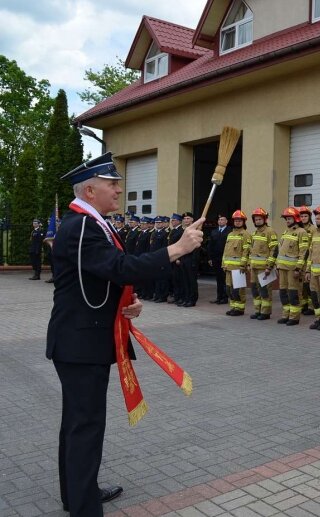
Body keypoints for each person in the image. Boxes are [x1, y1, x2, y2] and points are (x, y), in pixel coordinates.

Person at [46, 152, 204, 516]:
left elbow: (101, 277)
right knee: (84, 425)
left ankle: (77, 493)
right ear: (89, 190)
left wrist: (124, 304)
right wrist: (178, 248)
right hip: (81, 342)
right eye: (111, 184)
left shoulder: (91, 223)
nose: (119, 189)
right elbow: (119, 266)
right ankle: (83, 506)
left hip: (82, 336)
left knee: (78, 422)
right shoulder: (83, 225)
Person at [276, 206, 309, 325]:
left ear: (295, 219)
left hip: (293, 269)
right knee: (283, 292)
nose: (287, 221)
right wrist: (277, 265)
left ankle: (294, 317)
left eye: (289, 219)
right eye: (286, 219)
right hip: (282, 268)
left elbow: (303, 252)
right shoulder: (286, 232)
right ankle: (286, 315)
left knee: (294, 293)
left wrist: (298, 268)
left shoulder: (302, 232)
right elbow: (281, 251)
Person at [247, 208, 278, 320]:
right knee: (255, 290)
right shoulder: (254, 233)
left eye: (260, 219)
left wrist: (269, 267)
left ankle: (265, 312)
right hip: (254, 267)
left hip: (264, 268)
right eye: (256, 219)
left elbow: (274, 250)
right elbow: (251, 250)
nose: (258, 221)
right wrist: (249, 263)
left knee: (265, 291)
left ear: (265, 219)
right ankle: (258, 310)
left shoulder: (270, 232)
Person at [223, 210, 251, 316]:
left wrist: (243, 265)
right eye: (236, 221)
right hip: (228, 267)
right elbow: (225, 251)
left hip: (239, 268)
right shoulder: (230, 234)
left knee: (238, 290)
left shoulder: (246, 234)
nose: (237, 222)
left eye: (240, 221)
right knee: (229, 289)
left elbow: (246, 251)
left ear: (243, 222)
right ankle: (233, 307)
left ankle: (240, 309)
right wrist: (223, 264)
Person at [297, 205, 317, 316]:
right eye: (301, 216)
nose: (303, 218)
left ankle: (311, 306)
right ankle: (303, 304)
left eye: (305, 216)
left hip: (309, 260)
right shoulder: (298, 229)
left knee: (309, 285)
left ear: (309, 217)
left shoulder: (313, 229)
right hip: (300, 260)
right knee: (301, 285)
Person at [207, 214, 229, 304]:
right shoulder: (214, 231)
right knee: (218, 279)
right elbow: (210, 246)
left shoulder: (230, 231)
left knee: (225, 279)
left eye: (222, 219)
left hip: (226, 259)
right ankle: (219, 297)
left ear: (226, 221)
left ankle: (225, 297)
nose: (220, 221)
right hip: (216, 259)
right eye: (219, 220)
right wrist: (210, 258)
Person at [179, 212, 200, 307]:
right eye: (185, 219)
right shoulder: (183, 230)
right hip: (184, 257)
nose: (186, 220)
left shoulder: (195, 230)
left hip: (191, 258)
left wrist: (194, 261)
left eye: (188, 218)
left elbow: (197, 246)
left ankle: (192, 299)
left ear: (192, 220)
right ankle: (186, 298)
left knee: (191, 280)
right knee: (184, 280)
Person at [168, 214, 185, 304]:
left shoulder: (181, 231)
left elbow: (181, 246)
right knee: (173, 278)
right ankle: (175, 295)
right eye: (172, 220)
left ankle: (179, 297)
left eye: (174, 220)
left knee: (179, 279)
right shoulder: (173, 231)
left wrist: (179, 258)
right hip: (171, 257)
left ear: (179, 221)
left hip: (177, 258)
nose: (172, 222)